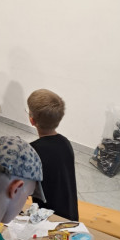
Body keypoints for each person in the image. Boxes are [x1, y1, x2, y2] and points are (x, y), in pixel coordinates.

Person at [27, 89, 79, 221]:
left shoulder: (32, 151)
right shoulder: (65, 142)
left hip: (48, 219)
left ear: (32, 120)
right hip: (70, 215)